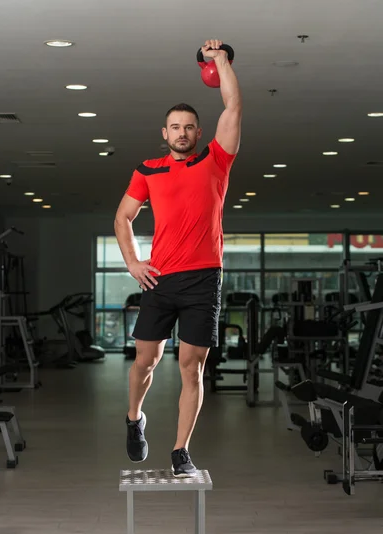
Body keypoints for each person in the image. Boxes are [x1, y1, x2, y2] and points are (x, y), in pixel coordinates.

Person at [114, 39, 242, 477]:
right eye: (175, 126)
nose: (182, 132)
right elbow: (123, 217)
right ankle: (135, 420)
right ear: (164, 133)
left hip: (204, 279)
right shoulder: (148, 170)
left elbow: (233, 107)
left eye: (189, 126)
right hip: (160, 278)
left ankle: (180, 451)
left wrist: (221, 60)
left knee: (193, 368)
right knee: (144, 362)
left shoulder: (216, 161)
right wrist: (133, 263)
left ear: (198, 133)